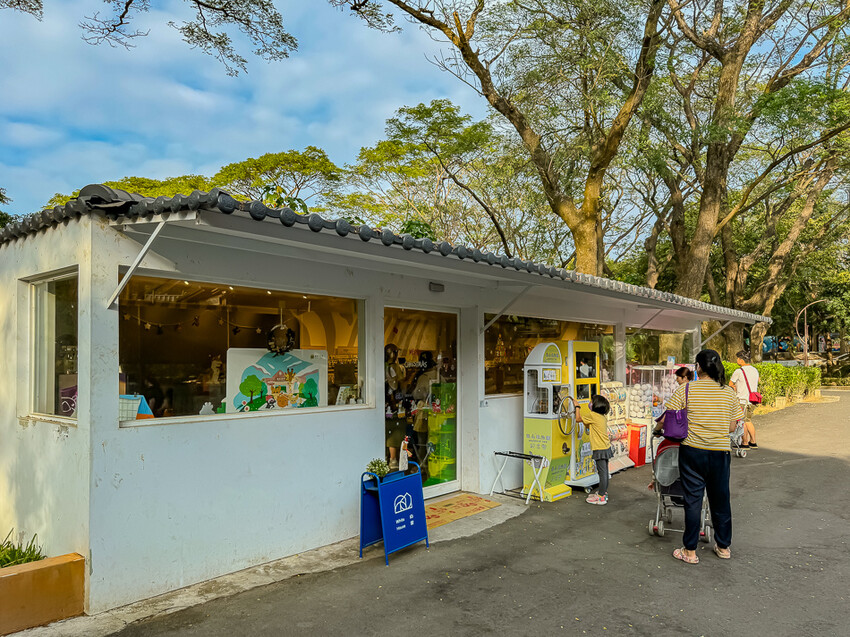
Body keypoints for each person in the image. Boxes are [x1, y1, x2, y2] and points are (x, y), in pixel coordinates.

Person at [664, 349, 743, 564]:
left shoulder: (686, 389)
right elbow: (731, 426)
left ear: (698, 367)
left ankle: (690, 551)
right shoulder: (728, 392)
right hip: (720, 453)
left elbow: (668, 416)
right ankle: (723, 546)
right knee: (720, 500)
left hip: (692, 452)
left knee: (692, 501)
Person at [575, 394, 612, 505]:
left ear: (596, 405)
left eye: (591, 401)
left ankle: (601, 497)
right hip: (605, 447)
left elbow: (578, 419)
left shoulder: (593, 415)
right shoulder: (601, 416)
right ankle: (603, 492)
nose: (590, 403)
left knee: (602, 473)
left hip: (599, 448)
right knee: (604, 472)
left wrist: (577, 407)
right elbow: (589, 425)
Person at [729, 350, 760, 449]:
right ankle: (753, 441)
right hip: (752, 399)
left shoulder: (739, 371)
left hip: (742, 399)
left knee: (743, 421)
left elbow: (730, 384)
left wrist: (735, 387)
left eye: (738, 358)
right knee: (748, 420)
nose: (737, 360)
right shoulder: (755, 370)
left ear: (741, 360)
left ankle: (745, 442)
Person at [652, 367, 694, 436]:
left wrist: (657, 429)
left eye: (678, 378)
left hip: (681, 433)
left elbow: (668, 412)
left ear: (685, 378)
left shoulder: (681, 390)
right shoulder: (693, 388)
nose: (676, 380)